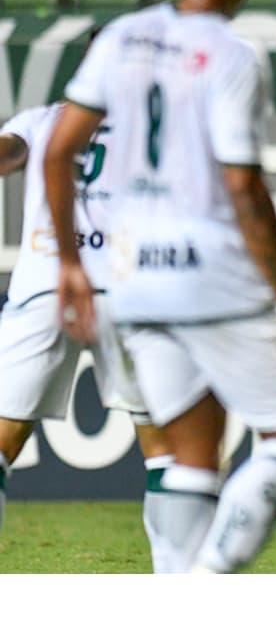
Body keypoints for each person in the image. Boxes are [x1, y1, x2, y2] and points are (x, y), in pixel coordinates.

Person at [43, 0, 276, 574]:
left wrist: (69, 265)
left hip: (133, 275)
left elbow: (58, 153)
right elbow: (243, 188)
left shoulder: (119, 37)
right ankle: (208, 581)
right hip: (213, 273)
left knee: (191, 457)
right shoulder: (232, 55)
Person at [0, 96, 175, 572]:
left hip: (46, 286)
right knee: (164, 447)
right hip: (127, 292)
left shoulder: (43, 120)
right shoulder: (158, 127)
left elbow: (7, 154)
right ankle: (177, 583)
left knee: (3, 437)